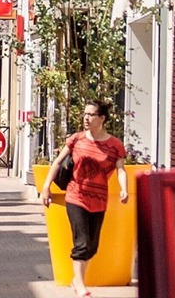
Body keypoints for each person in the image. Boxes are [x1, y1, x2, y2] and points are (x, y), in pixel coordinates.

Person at [40, 100, 129, 298]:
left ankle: (76, 279)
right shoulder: (77, 139)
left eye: (91, 115)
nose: (86, 118)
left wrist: (124, 189)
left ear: (102, 118)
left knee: (92, 246)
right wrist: (46, 187)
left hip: (99, 199)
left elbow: (120, 169)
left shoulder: (114, 145)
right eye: (85, 114)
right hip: (76, 196)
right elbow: (57, 162)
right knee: (81, 242)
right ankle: (80, 285)